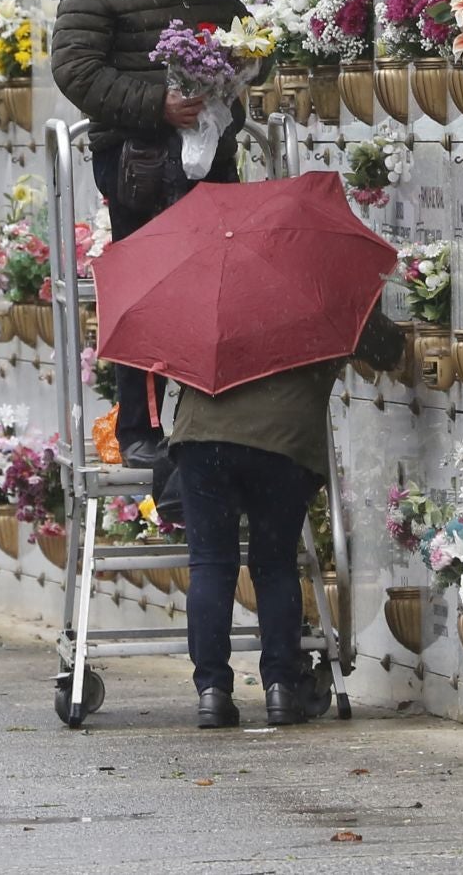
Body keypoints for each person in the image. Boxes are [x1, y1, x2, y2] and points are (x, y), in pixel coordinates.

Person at [50, 0, 246, 470]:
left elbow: (241, 40)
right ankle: (139, 426)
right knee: (144, 290)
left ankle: (208, 424)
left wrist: (238, 73)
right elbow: (76, 71)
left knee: (213, 290)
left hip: (210, 156)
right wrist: (156, 105)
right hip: (137, 162)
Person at [167, 305, 405, 728]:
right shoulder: (321, 287)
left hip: (203, 436)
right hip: (283, 441)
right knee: (275, 564)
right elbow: (386, 349)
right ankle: (280, 688)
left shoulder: (215, 283)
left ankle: (213, 694)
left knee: (210, 564)